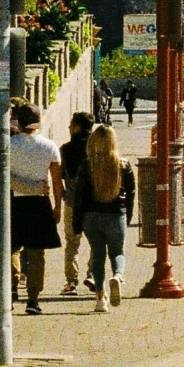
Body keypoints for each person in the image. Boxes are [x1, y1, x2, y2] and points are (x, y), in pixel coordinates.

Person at [71, 123, 135, 310]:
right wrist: (127, 217)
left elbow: (79, 198)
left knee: (97, 256)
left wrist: (76, 225)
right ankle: (118, 275)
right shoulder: (123, 164)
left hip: (91, 217)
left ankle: (100, 298)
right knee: (117, 252)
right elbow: (130, 194)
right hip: (116, 215)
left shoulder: (86, 165)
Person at [6, 104, 64, 314]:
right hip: (39, 202)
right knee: (37, 253)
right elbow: (57, 181)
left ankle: (11, 289)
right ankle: (33, 299)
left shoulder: (9, 145)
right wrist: (58, 206)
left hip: (13, 201)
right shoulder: (49, 147)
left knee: (11, 248)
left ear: (18, 122)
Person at [57, 111, 92, 296]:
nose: (69, 128)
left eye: (71, 125)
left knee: (72, 242)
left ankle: (71, 282)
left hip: (72, 201)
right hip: (95, 202)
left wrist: (61, 196)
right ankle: (93, 274)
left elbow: (61, 175)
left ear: (77, 127)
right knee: (96, 241)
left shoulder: (65, 149)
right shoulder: (97, 147)